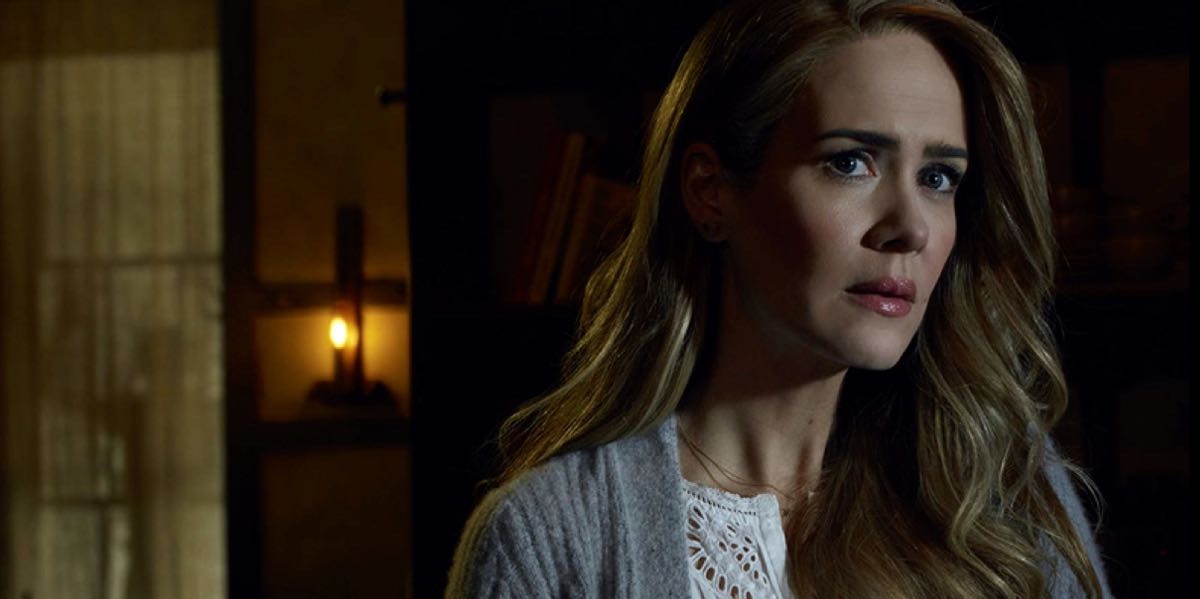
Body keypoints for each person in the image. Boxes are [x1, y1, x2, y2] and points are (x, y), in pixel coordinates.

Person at [447, 0, 1113, 597]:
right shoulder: (550, 537)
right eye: (850, 162)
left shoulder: (1007, 500)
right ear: (711, 192)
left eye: (938, 177)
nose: (910, 226)